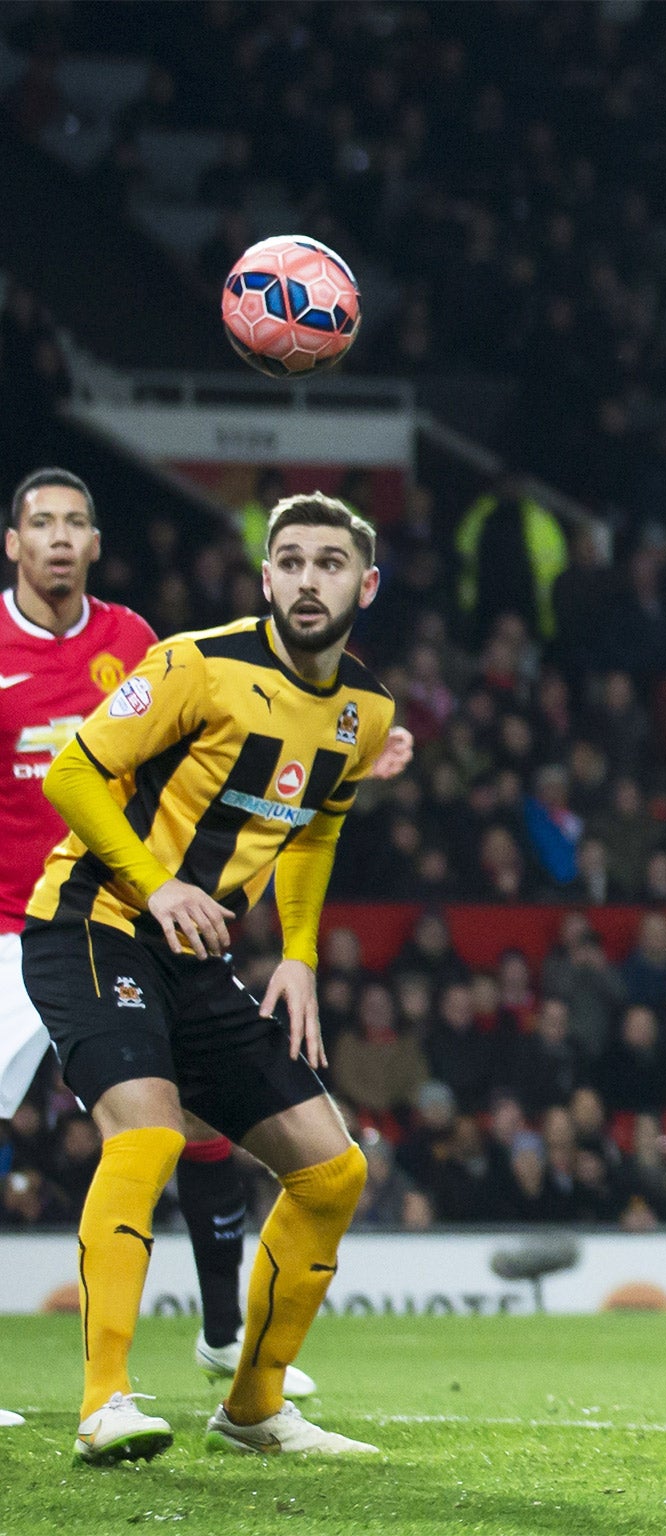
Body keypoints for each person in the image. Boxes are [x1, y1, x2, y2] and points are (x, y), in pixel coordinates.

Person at [0, 472, 412, 1426]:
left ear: (368, 586)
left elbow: (313, 829)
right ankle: (106, 1401)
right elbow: (73, 769)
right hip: (91, 921)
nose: (310, 581)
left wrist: (300, 952)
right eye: (292, 563)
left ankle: (254, 1406)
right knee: (147, 1133)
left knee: (332, 1170)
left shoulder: (367, 712)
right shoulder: (194, 663)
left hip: (191, 955)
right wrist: (157, 881)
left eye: (332, 564)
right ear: (265, 579)